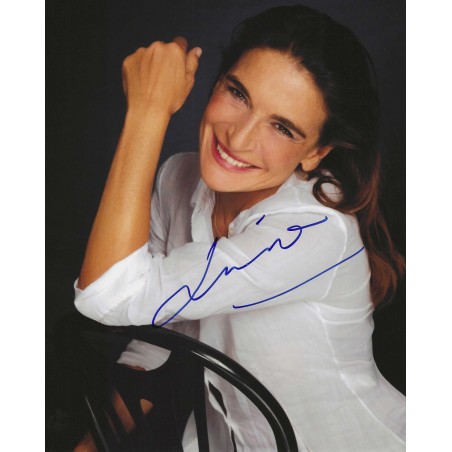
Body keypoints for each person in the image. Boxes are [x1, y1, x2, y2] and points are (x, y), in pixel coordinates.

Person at [74, 4, 405, 451]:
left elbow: (106, 296)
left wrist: (148, 110)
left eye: (282, 127)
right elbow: (156, 340)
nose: (239, 137)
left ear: (316, 152)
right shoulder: (177, 179)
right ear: (216, 81)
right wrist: (91, 445)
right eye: (238, 93)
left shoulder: (313, 231)